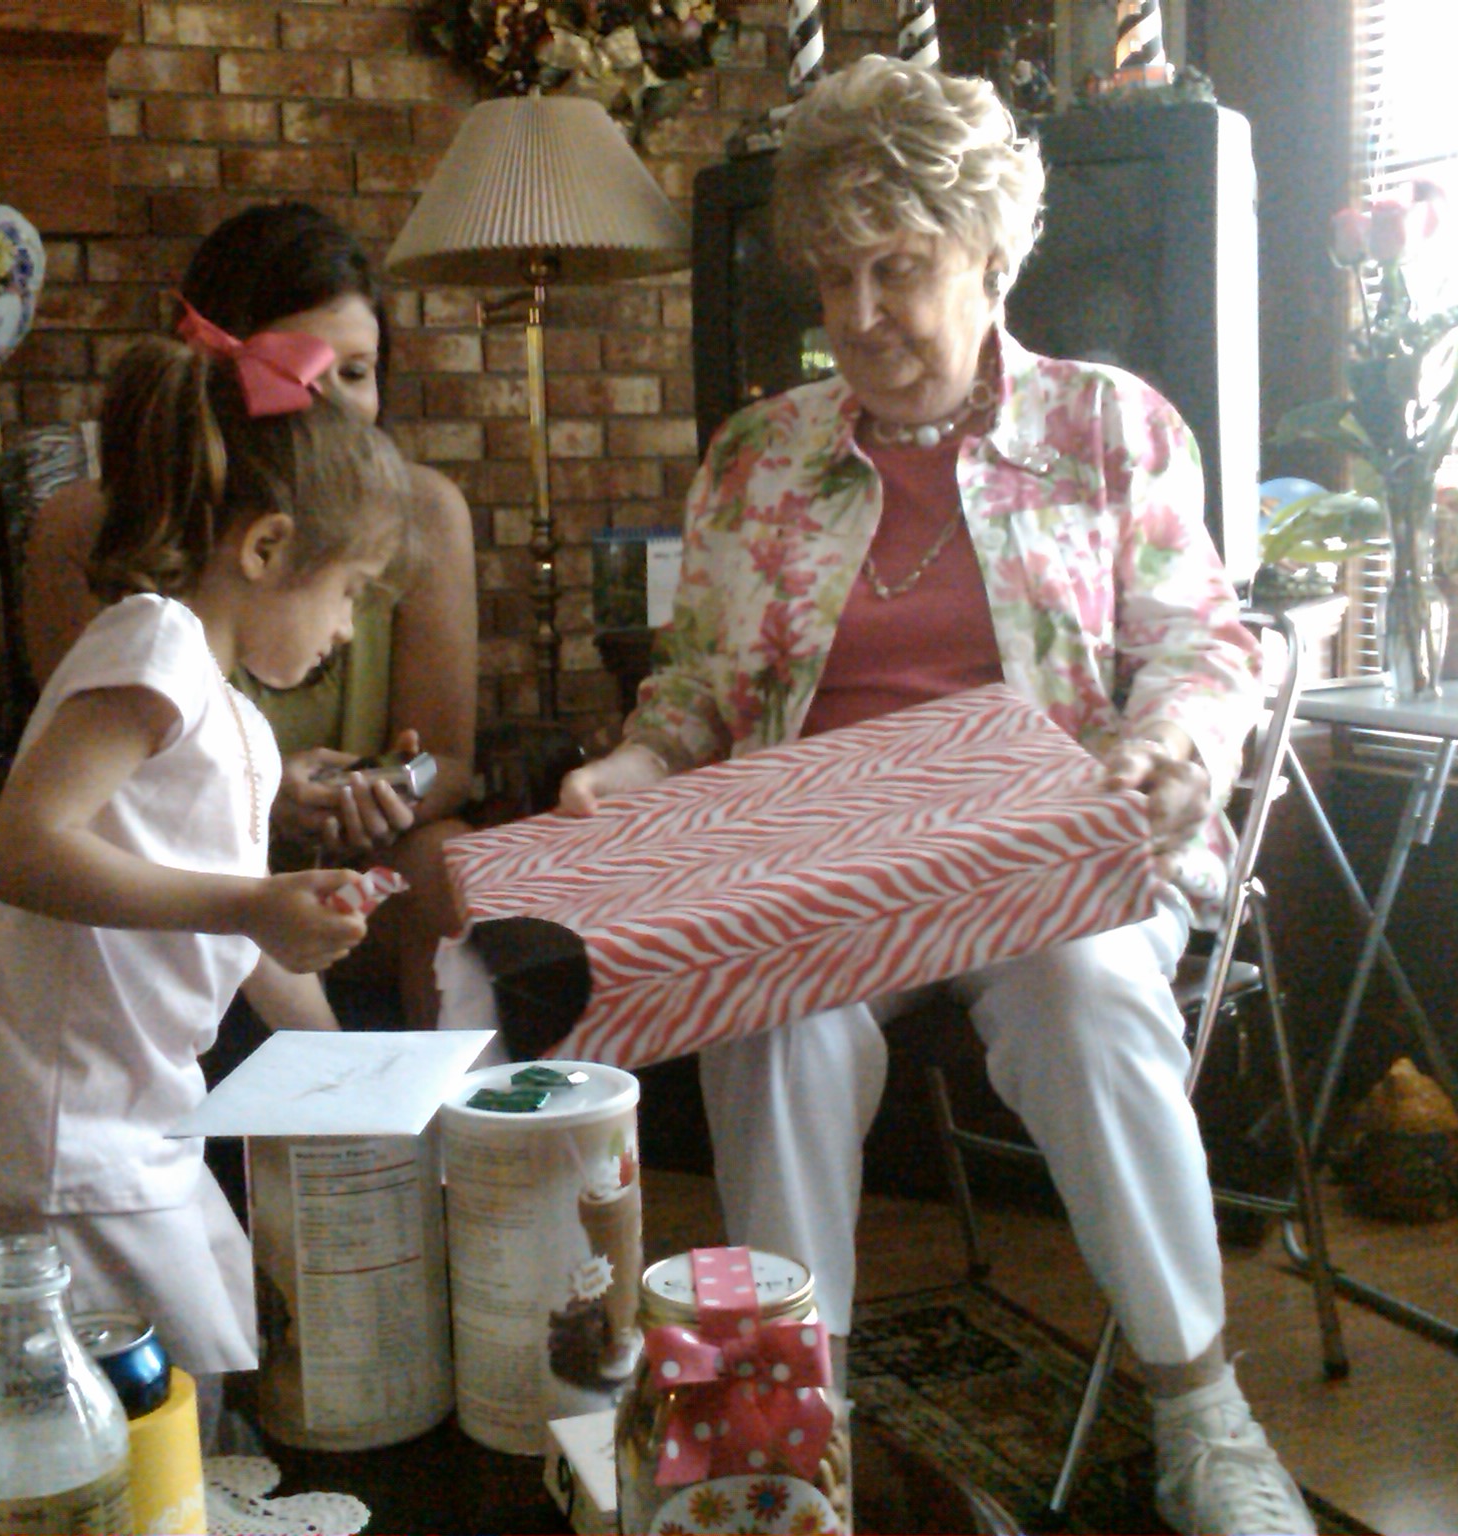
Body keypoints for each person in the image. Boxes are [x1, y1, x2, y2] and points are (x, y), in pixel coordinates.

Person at [558, 57, 1314, 1536]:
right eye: (832, 277)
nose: (857, 316)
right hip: (825, 871)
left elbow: (1199, 645)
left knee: (1084, 993)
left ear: (990, 255)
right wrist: (631, 772)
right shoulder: (757, 461)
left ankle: (1200, 1410)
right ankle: (792, 1429)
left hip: (1054, 860)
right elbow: (695, 691)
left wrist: (1174, 745)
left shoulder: (1110, 429)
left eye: (897, 269)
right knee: (769, 1016)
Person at [0, 325, 415, 1429]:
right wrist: (250, 901)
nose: (345, 628)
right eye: (351, 591)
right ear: (266, 547)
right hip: (58, 1129)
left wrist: (361, 1081)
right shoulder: (153, 645)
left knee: (213, 1350)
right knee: (153, 1406)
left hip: (127, 1122)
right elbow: (21, 848)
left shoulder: (238, 724)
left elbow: (248, 943)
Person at [22, 202, 477, 1029]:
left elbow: (446, 759)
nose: (335, 409)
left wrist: (376, 792)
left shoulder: (415, 520)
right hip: (73, 1052)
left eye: (357, 372)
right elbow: (56, 833)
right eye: (306, 373)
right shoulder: (151, 640)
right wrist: (261, 814)